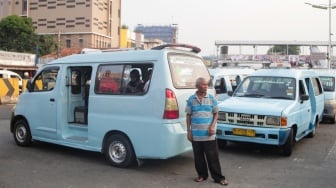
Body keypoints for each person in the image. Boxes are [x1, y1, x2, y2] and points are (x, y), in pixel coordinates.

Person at [185, 77, 228, 186]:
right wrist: (188, 131)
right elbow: (188, 116)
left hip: (209, 135)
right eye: (203, 85)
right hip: (196, 134)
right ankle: (202, 175)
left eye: (206, 85)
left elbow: (216, 113)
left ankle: (219, 178)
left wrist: (212, 126)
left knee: (213, 157)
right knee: (198, 157)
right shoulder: (191, 99)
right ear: (197, 86)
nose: (206, 87)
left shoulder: (211, 98)